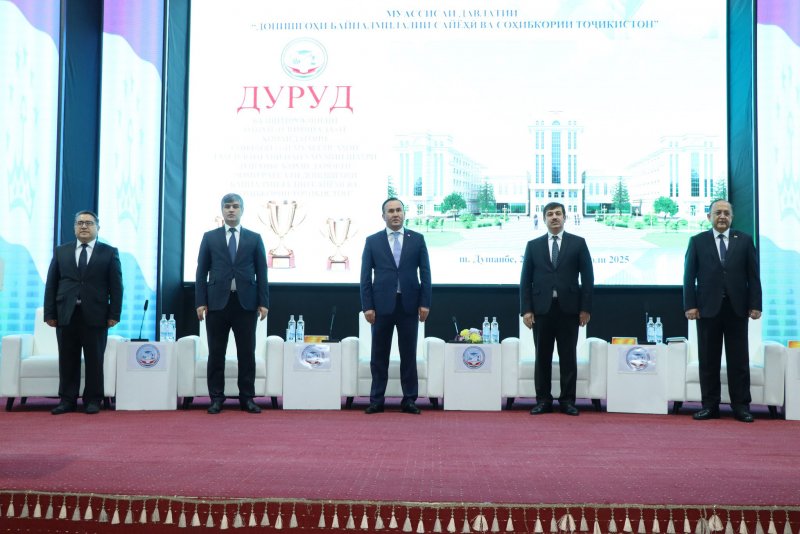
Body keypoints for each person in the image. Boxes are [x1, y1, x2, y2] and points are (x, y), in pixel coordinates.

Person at [683, 199, 762, 423]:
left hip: (737, 309)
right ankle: (710, 406)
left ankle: (741, 406)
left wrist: (756, 304)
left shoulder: (744, 241)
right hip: (707, 309)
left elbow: (753, 276)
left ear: (732, 217)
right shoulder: (697, 241)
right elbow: (689, 276)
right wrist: (690, 305)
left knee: (739, 360)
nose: (722, 216)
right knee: (708, 360)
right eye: (717, 212)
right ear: (709, 216)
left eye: (726, 213)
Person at [196, 193, 269, 414]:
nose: (231, 210)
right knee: (216, 353)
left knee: (246, 353)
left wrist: (264, 302)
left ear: (242, 210)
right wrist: (200, 302)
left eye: (235, 206)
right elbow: (201, 271)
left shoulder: (254, 238)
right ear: (222, 210)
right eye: (227, 206)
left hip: (246, 303)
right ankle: (216, 398)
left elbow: (262, 272)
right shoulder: (210, 237)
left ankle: (247, 398)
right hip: (217, 304)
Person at [44, 210, 123, 415]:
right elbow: (51, 284)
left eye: (89, 223)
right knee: (67, 359)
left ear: (98, 227)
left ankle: (93, 400)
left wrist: (114, 314)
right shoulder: (61, 251)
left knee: (94, 359)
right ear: (74, 228)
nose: (84, 226)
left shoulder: (109, 252)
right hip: (66, 313)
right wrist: (49, 313)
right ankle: (67, 400)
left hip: (96, 314)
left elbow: (116, 286)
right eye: (80, 223)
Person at [520, 202, 593, 416]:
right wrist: (526, 309)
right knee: (542, 356)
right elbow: (525, 281)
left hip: (569, 310)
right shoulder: (533, 245)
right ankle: (543, 400)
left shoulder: (578, 243)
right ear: (544, 219)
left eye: (558, 213)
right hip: (541, 310)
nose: (554, 217)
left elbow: (588, 279)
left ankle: (567, 401)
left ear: (565, 217)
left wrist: (585, 308)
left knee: (568, 357)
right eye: (550, 214)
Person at [360, 198, 432, 414]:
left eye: (398, 210)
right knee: (378, 355)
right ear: (383, 216)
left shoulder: (417, 239)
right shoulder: (372, 241)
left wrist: (425, 303)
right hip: (381, 306)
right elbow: (365, 277)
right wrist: (367, 306)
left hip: (409, 305)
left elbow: (426, 274)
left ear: (404, 213)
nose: (395, 214)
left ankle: (409, 399)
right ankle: (376, 400)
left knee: (408, 354)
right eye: (390, 211)